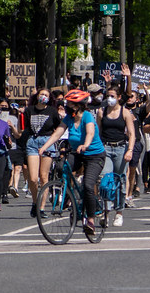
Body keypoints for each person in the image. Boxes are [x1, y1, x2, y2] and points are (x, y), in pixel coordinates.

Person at [39, 90, 106, 236]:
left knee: (88, 185)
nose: (67, 106)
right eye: (67, 103)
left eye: (70, 103)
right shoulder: (69, 118)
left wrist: (86, 145)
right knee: (63, 168)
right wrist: (44, 147)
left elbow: (90, 133)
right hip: (78, 153)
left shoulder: (87, 116)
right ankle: (72, 201)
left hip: (94, 155)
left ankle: (91, 220)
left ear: (79, 105)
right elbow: (58, 132)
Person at [97, 85, 136, 227]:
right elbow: (98, 132)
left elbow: (132, 134)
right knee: (105, 180)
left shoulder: (125, 112)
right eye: (108, 96)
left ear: (119, 97)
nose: (109, 99)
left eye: (112, 96)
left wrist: (130, 150)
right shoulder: (102, 112)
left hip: (120, 148)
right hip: (105, 147)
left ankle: (119, 212)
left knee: (119, 180)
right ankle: (105, 212)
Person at [23, 88, 62, 217]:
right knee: (33, 178)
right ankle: (35, 202)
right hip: (33, 142)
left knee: (43, 177)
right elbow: (25, 129)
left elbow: (58, 128)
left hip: (47, 142)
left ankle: (42, 207)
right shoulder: (29, 111)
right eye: (41, 94)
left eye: (46, 95)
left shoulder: (52, 111)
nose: (43, 97)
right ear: (37, 96)